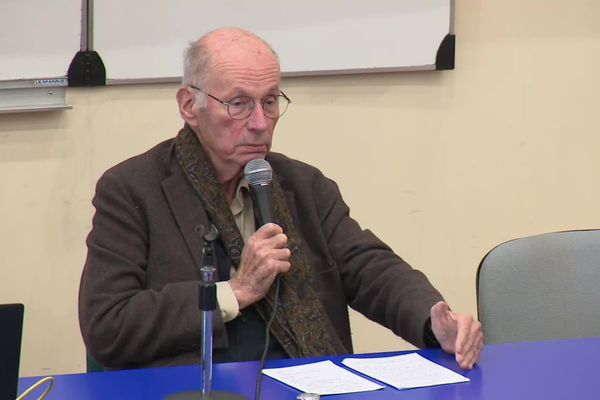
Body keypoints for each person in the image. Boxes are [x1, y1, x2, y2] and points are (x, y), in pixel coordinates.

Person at [79, 27, 483, 371]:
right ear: (190, 105)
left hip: (310, 381)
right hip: (205, 386)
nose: (259, 123)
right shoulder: (133, 190)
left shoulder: (302, 184)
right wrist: (233, 291)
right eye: (238, 104)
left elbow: (368, 267)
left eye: (270, 101)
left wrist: (432, 320)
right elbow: (108, 324)